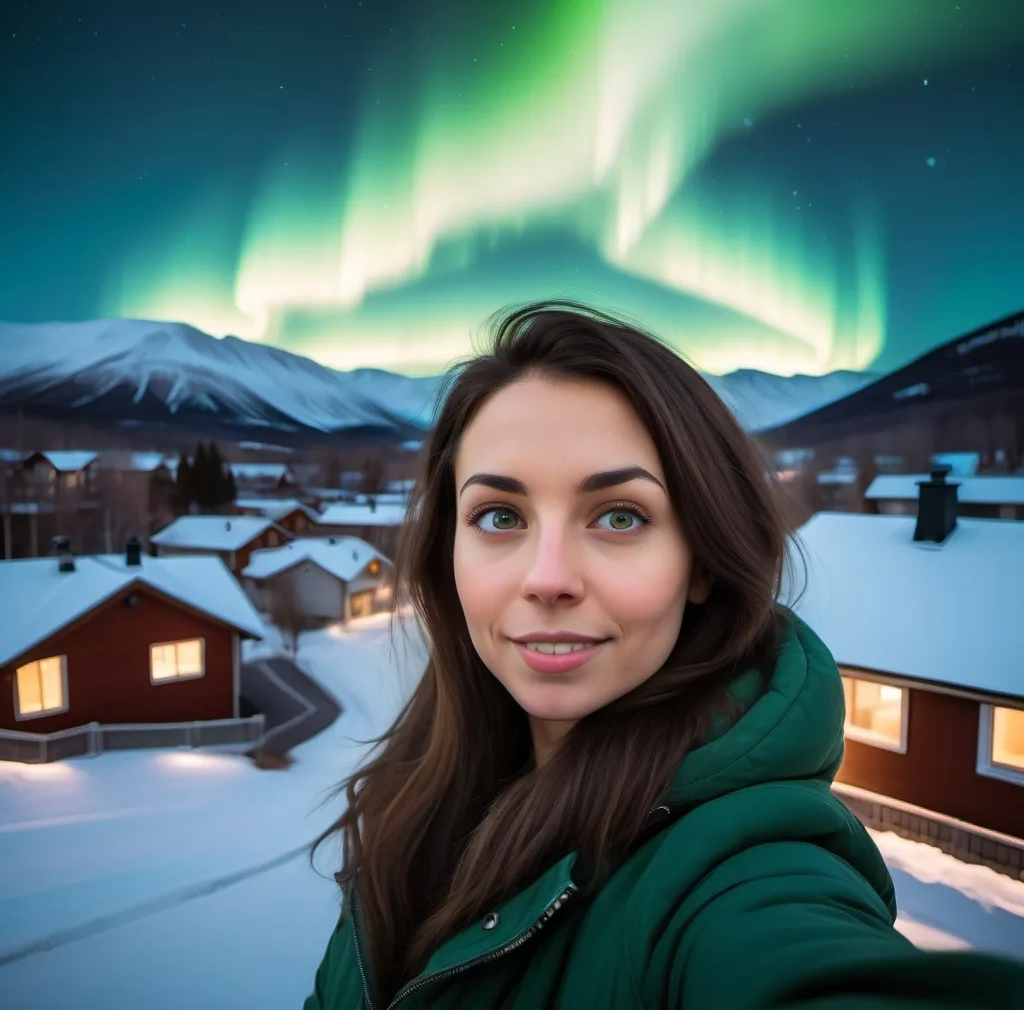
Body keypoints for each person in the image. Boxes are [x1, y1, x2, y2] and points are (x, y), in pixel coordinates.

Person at [304, 301, 1022, 1009]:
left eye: (620, 516)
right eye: (500, 516)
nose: (547, 578)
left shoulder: (744, 876)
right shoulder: (412, 798)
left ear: (701, 561)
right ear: (446, 553)